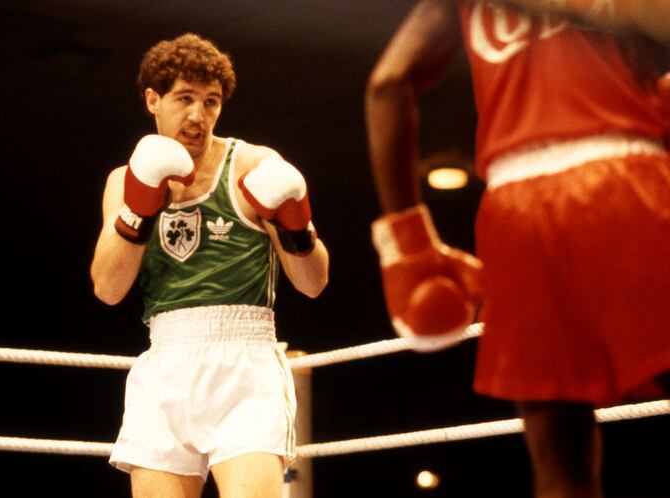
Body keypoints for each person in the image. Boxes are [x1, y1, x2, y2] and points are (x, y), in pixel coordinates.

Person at [365, 1, 669, 497]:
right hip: (626, 180)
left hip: (515, 211)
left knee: (561, 468)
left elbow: (386, 83)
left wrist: (408, 239)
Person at [90, 33, 329, 498]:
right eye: (185, 99)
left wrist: (297, 225)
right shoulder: (124, 180)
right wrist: (139, 209)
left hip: (245, 363)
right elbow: (108, 288)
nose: (198, 115)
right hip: (166, 359)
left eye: (211, 101)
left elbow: (313, 282)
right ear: (153, 100)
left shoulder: (253, 165)